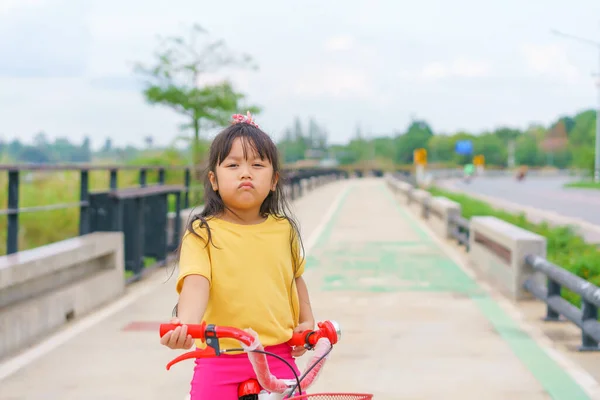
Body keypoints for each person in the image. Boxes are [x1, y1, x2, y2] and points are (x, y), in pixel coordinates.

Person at [160, 111, 315, 399]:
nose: (245, 173)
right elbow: (196, 283)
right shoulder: (202, 232)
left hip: (278, 358)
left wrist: (307, 321)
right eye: (233, 165)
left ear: (273, 180)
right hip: (218, 359)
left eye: (257, 165)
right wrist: (185, 324)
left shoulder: (284, 230)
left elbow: (294, 279)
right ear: (214, 180)